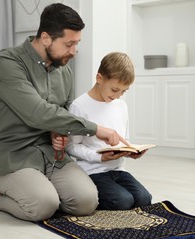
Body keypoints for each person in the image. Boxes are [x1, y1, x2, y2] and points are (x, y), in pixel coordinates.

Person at [0, 3, 127, 222]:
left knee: (86, 202)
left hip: (52, 155)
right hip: (11, 157)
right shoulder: (7, 64)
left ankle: (40, 190)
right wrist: (96, 130)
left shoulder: (64, 71)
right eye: (69, 44)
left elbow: (63, 113)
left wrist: (60, 134)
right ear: (46, 38)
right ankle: (0, 195)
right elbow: (38, 113)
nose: (74, 52)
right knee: (43, 206)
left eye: (76, 44)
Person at [64, 52, 152, 210]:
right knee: (122, 201)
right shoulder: (79, 106)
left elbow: (123, 139)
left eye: (123, 92)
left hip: (118, 169)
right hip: (93, 171)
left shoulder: (121, 106)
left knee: (144, 198)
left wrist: (131, 151)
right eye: (114, 89)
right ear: (99, 78)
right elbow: (71, 146)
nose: (118, 96)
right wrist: (99, 158)